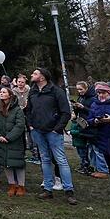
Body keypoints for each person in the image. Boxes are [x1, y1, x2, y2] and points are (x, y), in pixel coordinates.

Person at [25, 68, 77, 205]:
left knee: (61, 160)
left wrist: (57, 129)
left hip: (53, 132)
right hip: (37, 130)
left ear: (42, 77)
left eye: (35, 73)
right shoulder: (33, 91)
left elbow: (65, 112)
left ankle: (68, 190)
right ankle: (48, 188)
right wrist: (30, 125)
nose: (32, 75)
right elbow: (28, 110)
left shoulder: (56, 91)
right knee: (45, 159)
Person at [0, 86, 27, 196]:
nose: (1, 93)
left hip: (14, 140)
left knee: (18, 163)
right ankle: (12, 184)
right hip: (0, 139)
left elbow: (20, 125)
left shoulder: (17, 109)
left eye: (4, 92)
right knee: (5, 162)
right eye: (0, 92)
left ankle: (21, 185)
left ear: (9, 95)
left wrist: (9, 137)